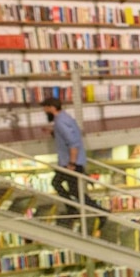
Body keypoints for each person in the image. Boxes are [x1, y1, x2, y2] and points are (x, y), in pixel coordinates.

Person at [40, 97, 106, 231]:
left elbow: (73, 143)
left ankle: (90, 211)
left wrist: (71, 163)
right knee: (74, 191)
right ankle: (96, 212)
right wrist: (53, 132)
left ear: (52, 107)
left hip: (70, 163)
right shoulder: (65, 118)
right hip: (74, 161)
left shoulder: (60, 122)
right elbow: (70, 135)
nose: (44, 111)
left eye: (45, 108)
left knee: (57, 184)